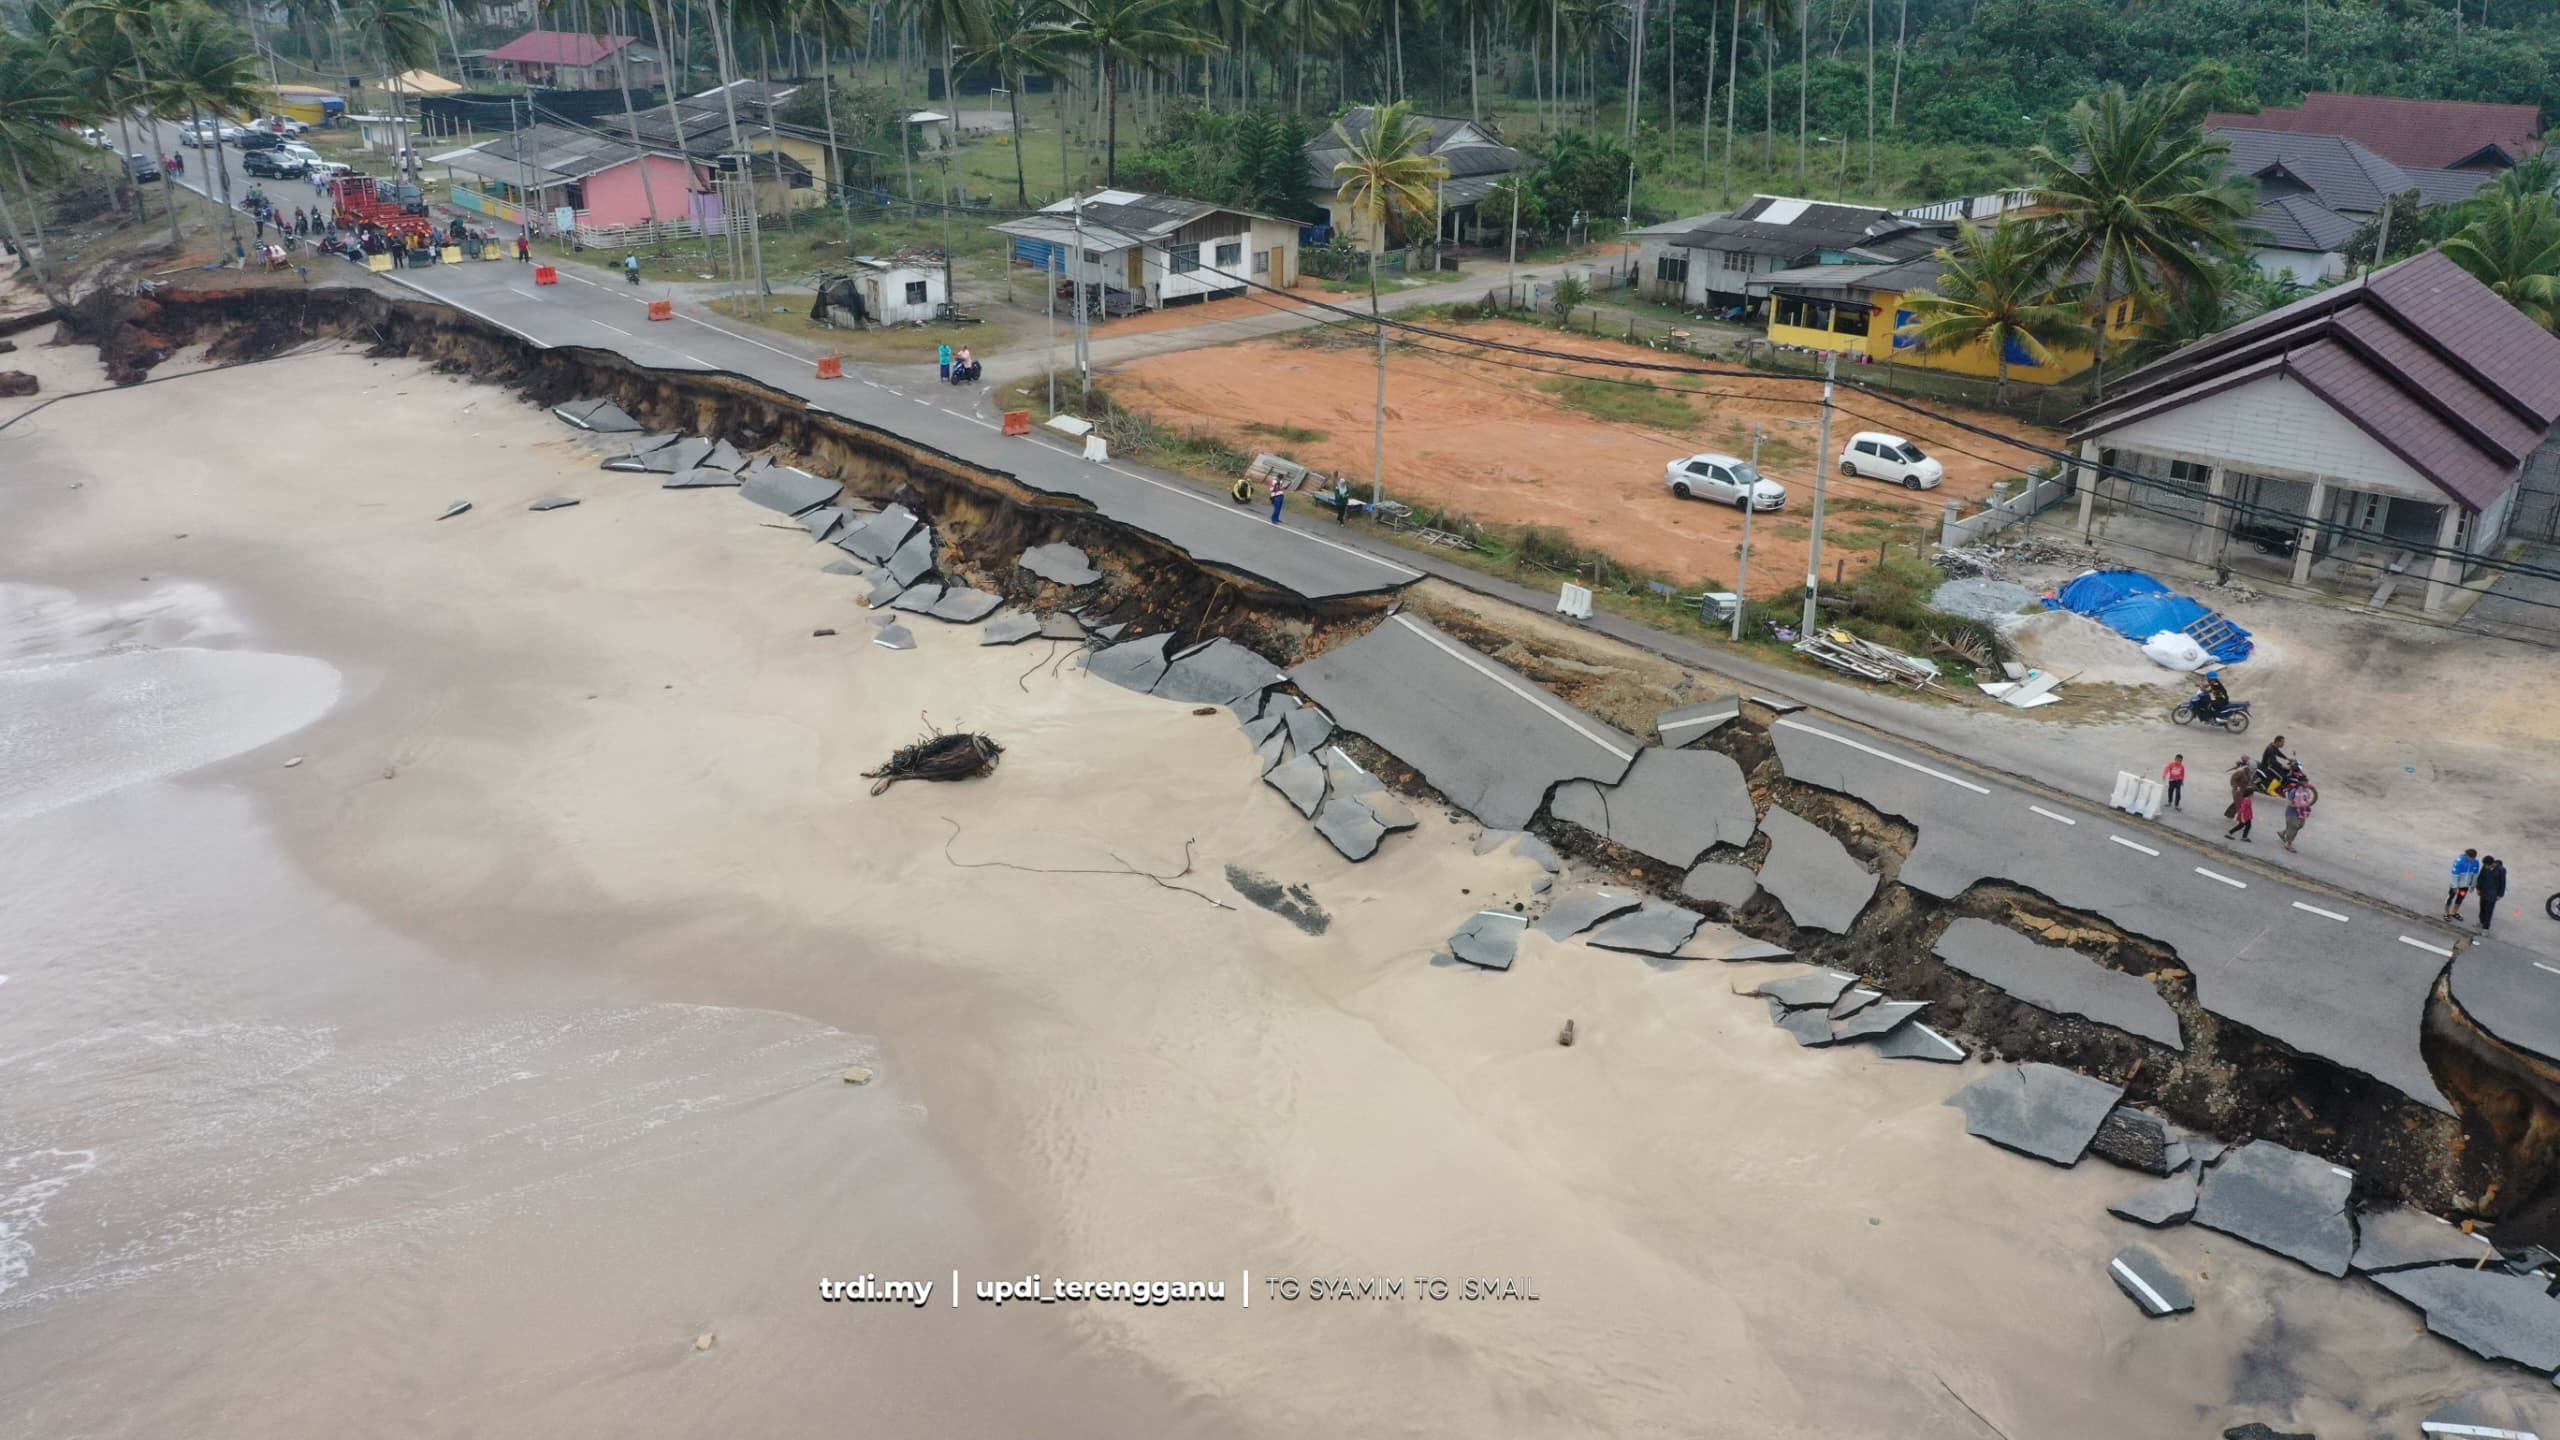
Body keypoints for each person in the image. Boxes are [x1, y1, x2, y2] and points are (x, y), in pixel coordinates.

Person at [2447, 849, 2482, 922]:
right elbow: (2454, 875)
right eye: (2471, 858)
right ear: (2467, 855)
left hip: (2465, 886)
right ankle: (2446, 913)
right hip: (2456, 885)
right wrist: (2454, 886)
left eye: (2474, 858)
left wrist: (2473, 885)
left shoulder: (2476, 862)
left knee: (2460, 898)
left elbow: (2475, 875)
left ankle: (2454, 912)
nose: (2472, 859)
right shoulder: (2459, 861)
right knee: (2450, 898)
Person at [2279, 780, 2312, 852]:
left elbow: (2308, 800)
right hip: (2292, 813)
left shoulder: (2306, 791)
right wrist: (2298, 805)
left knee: (2300, 825)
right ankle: (2289, 844)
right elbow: (2290, 804)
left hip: (2301, 813)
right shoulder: (2293, 792)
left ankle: (2283, 832)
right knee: (2293, 827)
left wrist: (2307, 804)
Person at [2476, 857, 2509, 931]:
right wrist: (2478, 888)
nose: (2486, 867)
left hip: (2492, 894)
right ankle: (2481, 922)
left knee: (2489, 911)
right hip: (2483, 891)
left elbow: (2502, 883)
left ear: (2492, 864)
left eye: (2487, 866)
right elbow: (2481, 877)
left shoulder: (2501, 870)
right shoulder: (2484, 867)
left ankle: (2485, 928)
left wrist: (2500, 894)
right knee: (2482, 908)